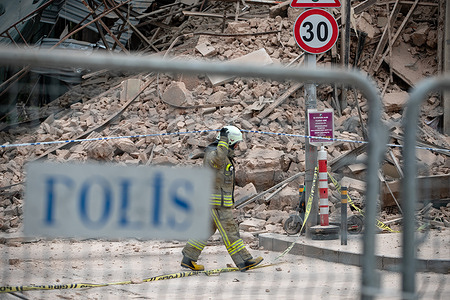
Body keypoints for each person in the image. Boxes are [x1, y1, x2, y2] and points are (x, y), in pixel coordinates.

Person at [181, 125, 263, 272]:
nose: (238, 146)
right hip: (216, 203)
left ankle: (189, 258)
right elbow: (218, 161)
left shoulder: (223, 154)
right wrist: (223, 141)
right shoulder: (214, 154)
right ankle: (244, 261)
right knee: (230, 231)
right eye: (236, 143)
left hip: (218, 202)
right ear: (229, 141)